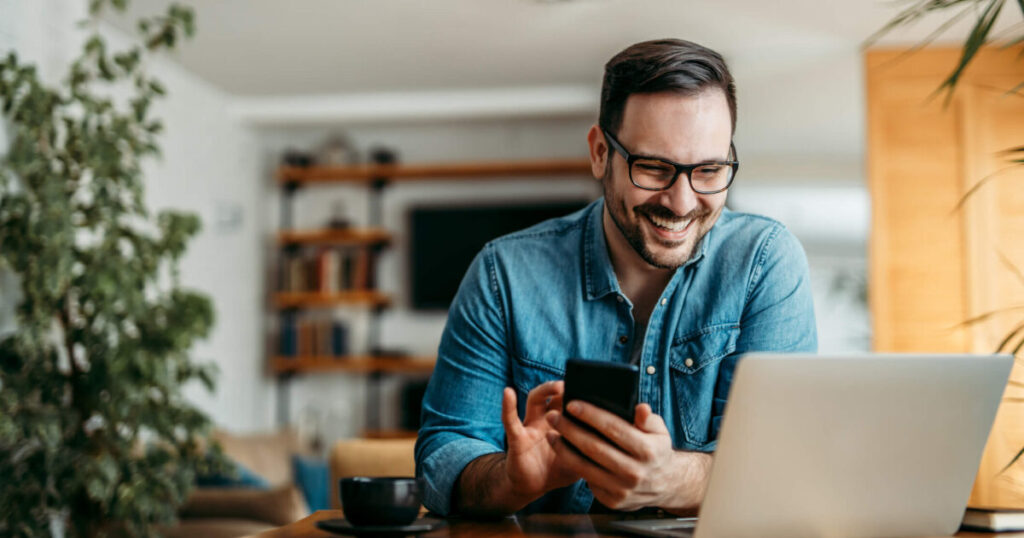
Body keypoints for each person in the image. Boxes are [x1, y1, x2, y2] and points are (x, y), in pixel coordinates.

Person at [414, 38, 817, 517]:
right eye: (654, 167)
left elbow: (782, 468)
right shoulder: (503, 274)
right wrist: (512, 480)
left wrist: (672, 480)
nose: (683, 202)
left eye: (709, 170)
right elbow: (441, 460)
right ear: (601, 152)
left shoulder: (764, 263)